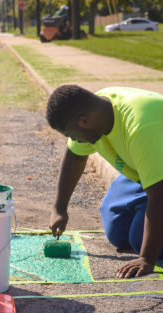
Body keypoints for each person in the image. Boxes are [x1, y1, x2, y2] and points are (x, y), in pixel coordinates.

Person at [46, 85, 163, 278]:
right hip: (146, 172)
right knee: (117, 229)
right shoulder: (96, 111)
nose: (72, 140)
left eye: (71, 135)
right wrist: (59, 208)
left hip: (158, 181)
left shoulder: (140, 126)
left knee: (139, 239)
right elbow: (75, 156)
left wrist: (147, 259)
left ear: (83, 121)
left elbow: (159, 194)